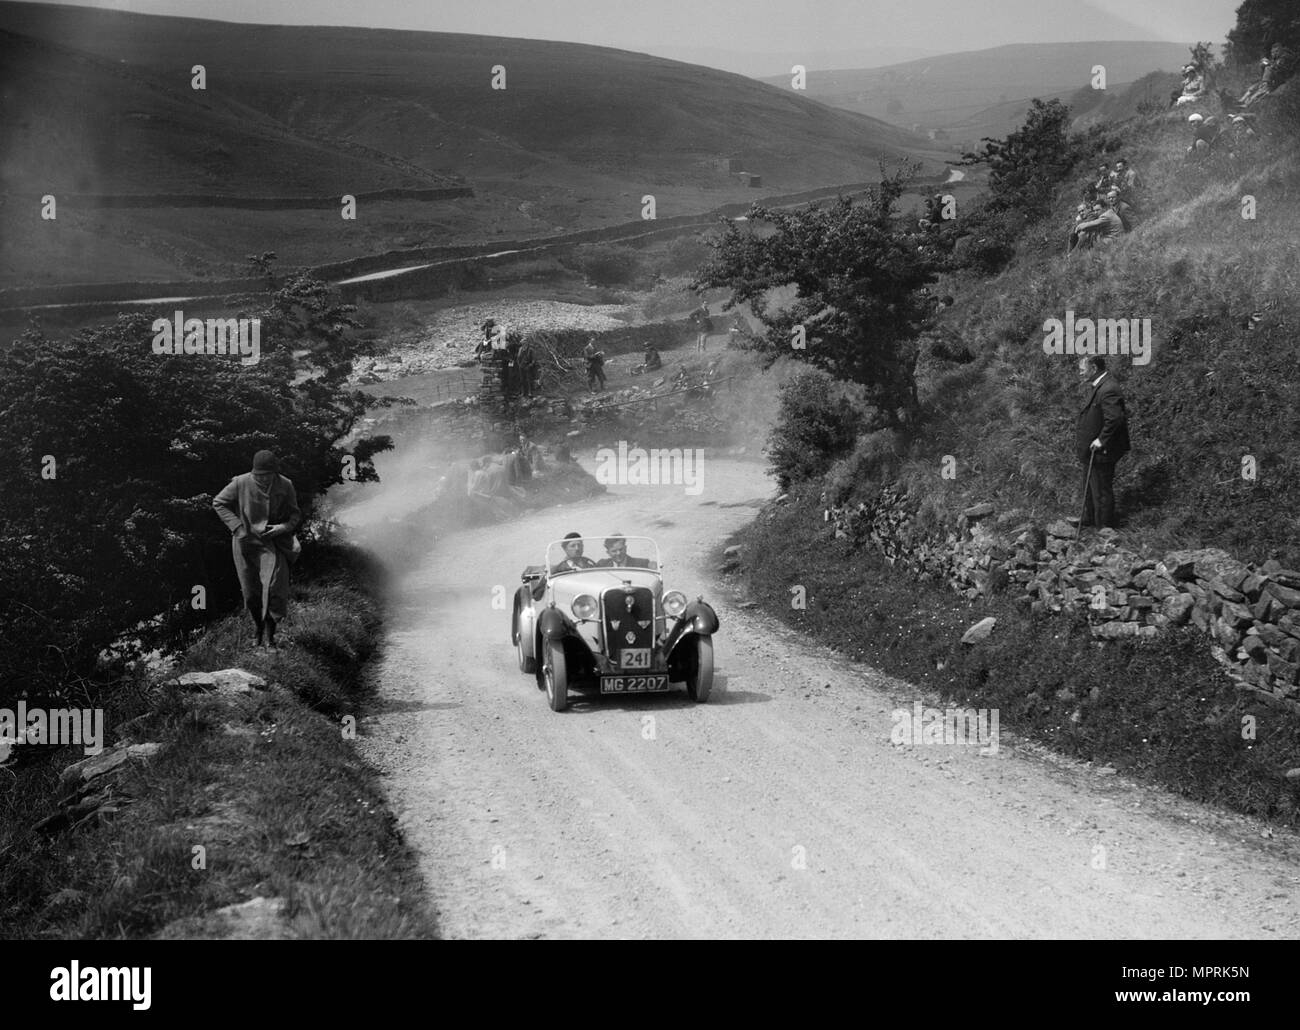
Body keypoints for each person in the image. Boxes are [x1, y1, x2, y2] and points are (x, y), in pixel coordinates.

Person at [213, 449, 301, 652]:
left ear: (274, 473)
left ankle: (270, 637)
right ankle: (257, 630)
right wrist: (237, 527)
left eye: (267, 475)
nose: (262, 479)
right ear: (253, 473)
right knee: (251, 593)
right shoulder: (240, 482)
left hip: (273, 543)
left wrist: (283, 527)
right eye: (258, 476)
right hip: (245, 544)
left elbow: (295, 515)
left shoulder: (285, 484)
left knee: (273, 589)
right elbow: (219, 503)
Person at [1074, 356, 1131, 530]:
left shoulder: (1108, 388)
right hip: (1091, 451)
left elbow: (1115, 419)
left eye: (1082, 369)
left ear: (1093, 367)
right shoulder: (1100, 386)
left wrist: (1101, 440)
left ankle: (1105, 528)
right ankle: (1090, 519)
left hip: (1102, 451)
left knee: (1101, 490)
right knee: (1090, 487)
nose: (1080, 372)